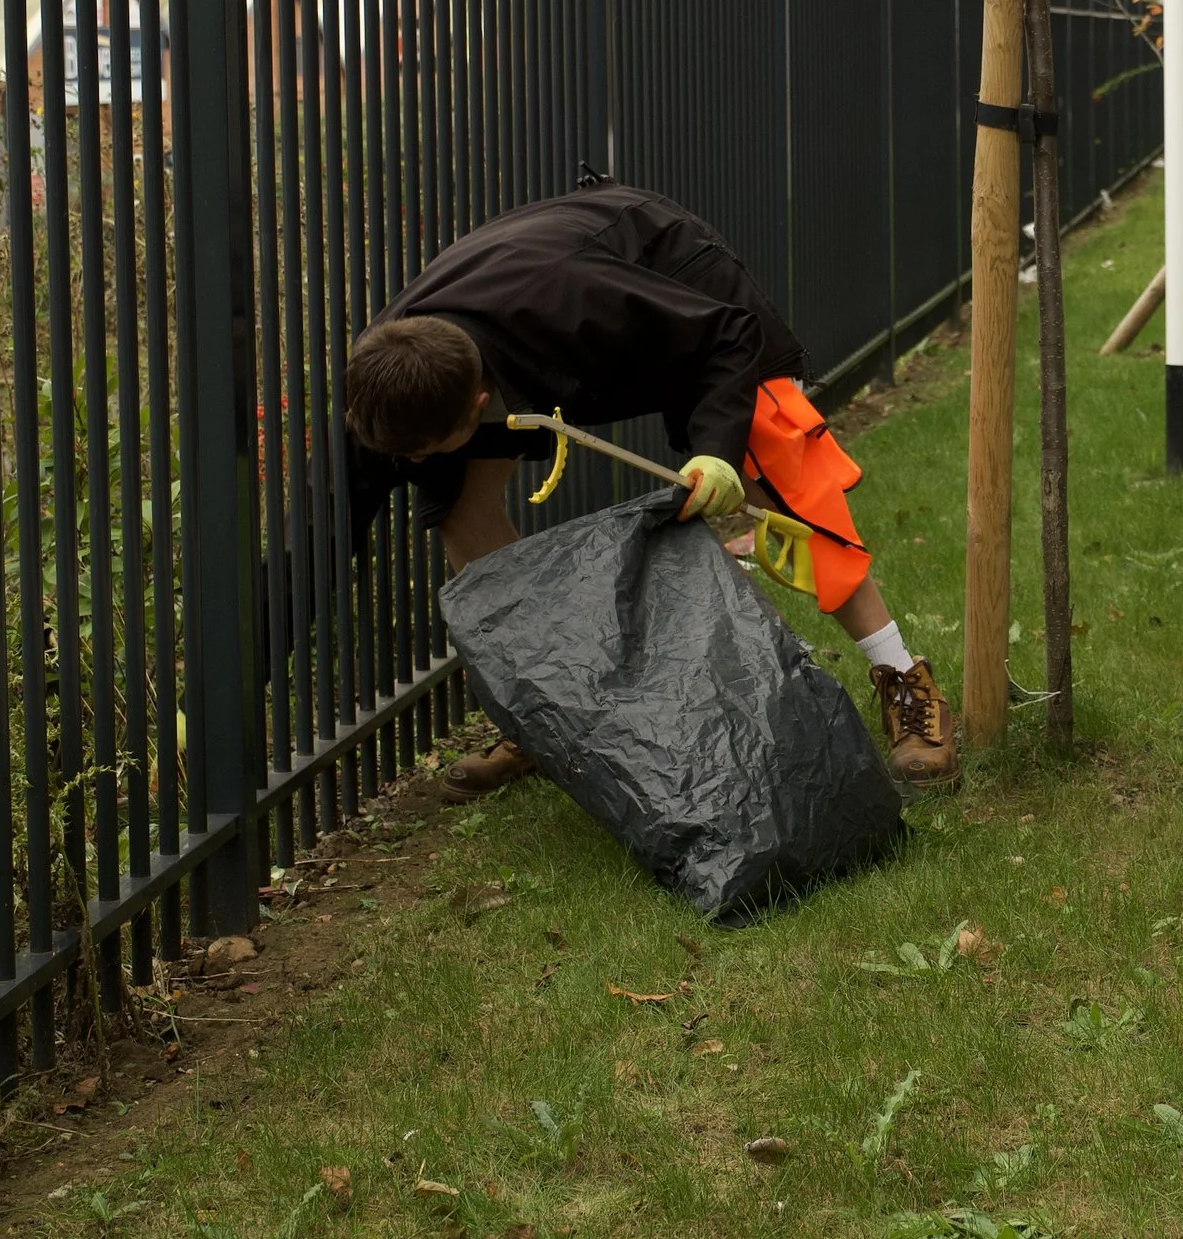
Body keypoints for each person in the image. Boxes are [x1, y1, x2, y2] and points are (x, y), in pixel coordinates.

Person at [341, 176, 956, 788]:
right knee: (455, 504)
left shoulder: (573, 299)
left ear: (478, 406)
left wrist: (716, 452)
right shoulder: (390, 378)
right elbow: (344, 504)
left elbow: (726, 335)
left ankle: (902, 678)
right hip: (527, 323)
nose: (410, 467)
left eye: (420, 452)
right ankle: (548, 716)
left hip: (683, 293)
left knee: (774, 466)